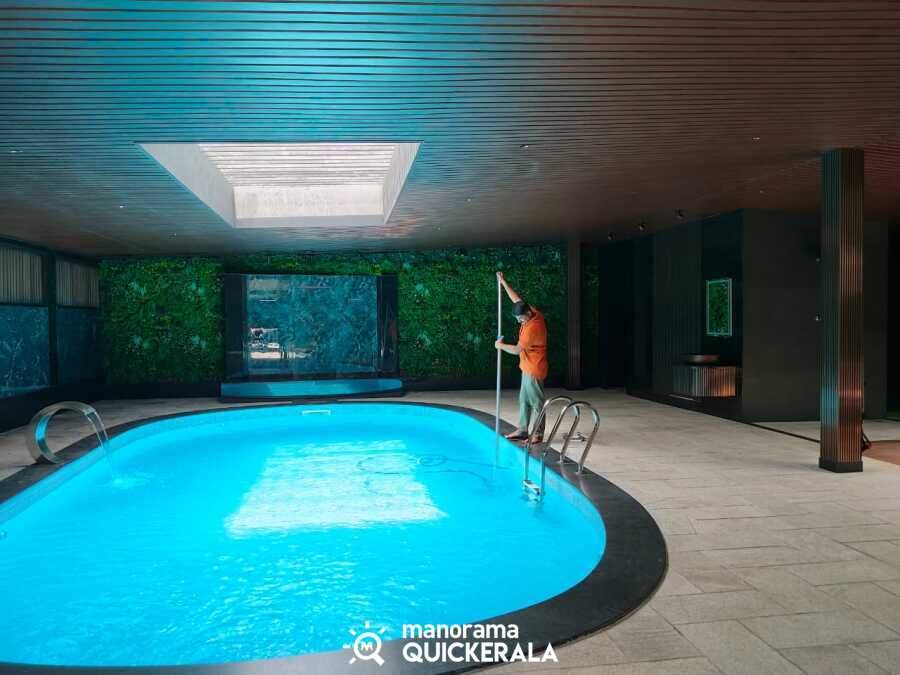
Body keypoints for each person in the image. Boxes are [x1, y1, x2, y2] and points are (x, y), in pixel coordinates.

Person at [494, 272, 548, 442]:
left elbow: (517, 349)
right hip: (526, 365)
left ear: (528, 314)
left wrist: (500, 346)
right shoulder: (530, 310)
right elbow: (516, 299)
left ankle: (537, 434)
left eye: (521, 319)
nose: (519, 321)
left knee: (536, 402)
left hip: (534, 367)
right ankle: (523, 429)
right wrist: (503, 282)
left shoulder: (533, 328)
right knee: (524, 399)